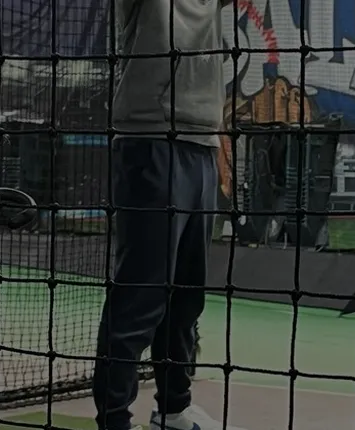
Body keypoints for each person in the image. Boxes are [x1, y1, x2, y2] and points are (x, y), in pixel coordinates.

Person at [92, 1, 246, 430]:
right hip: (151, 139)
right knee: (140, 296)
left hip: (202, 144)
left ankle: (174, 408)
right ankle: (114, 421)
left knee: (186, 297)